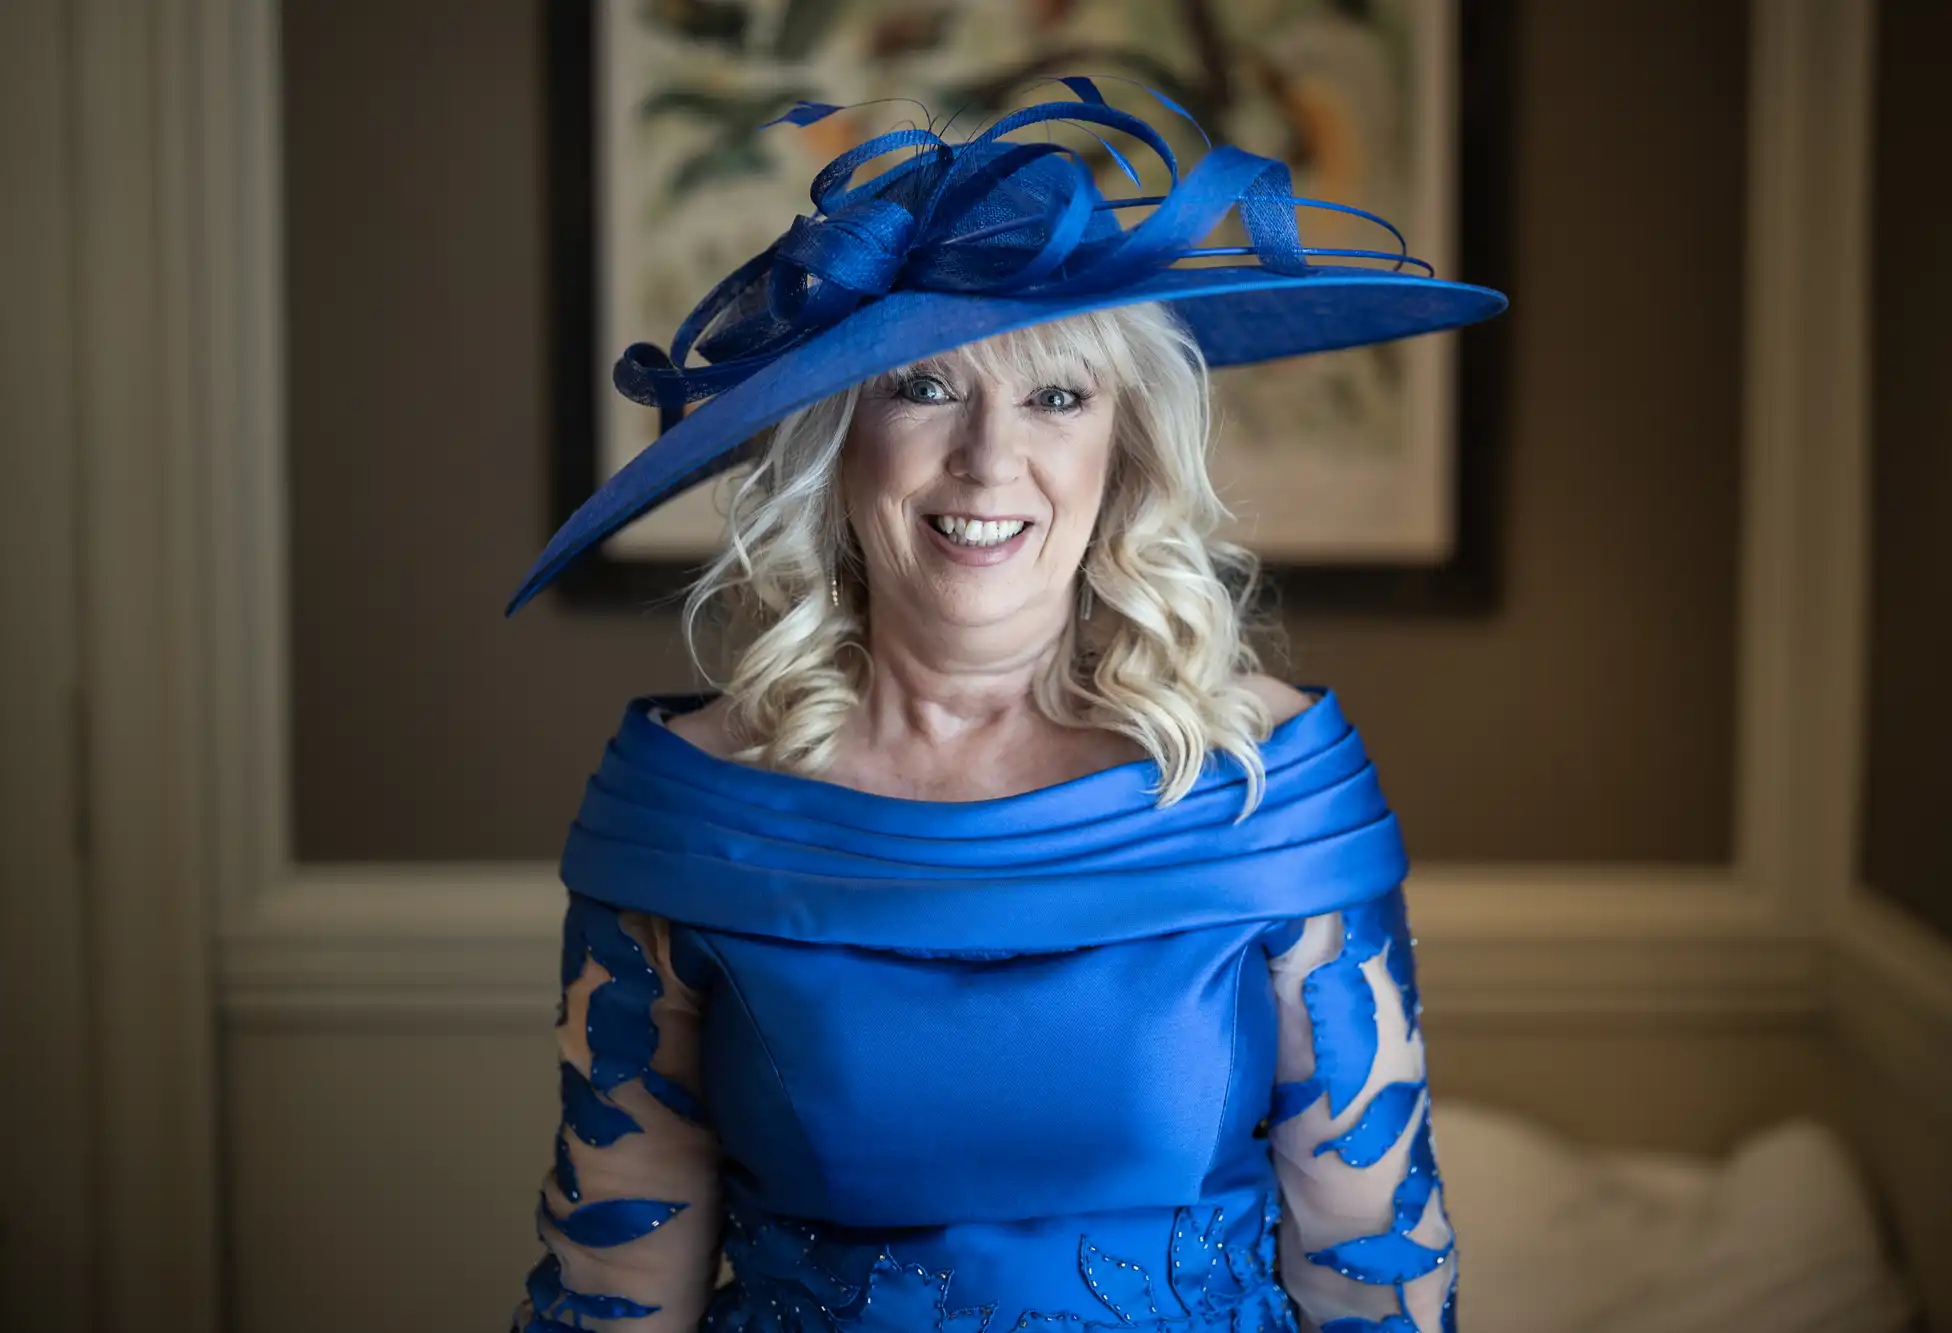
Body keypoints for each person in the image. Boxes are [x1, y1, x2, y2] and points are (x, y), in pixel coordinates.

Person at [506, 80, 1504, 1333]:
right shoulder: (688, 808)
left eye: (1056, 396)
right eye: (921, 388)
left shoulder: (1269, 780)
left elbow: (1375, 1256)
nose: (988, 460)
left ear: (1120, 450)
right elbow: (612, 1282)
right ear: (833, 439)